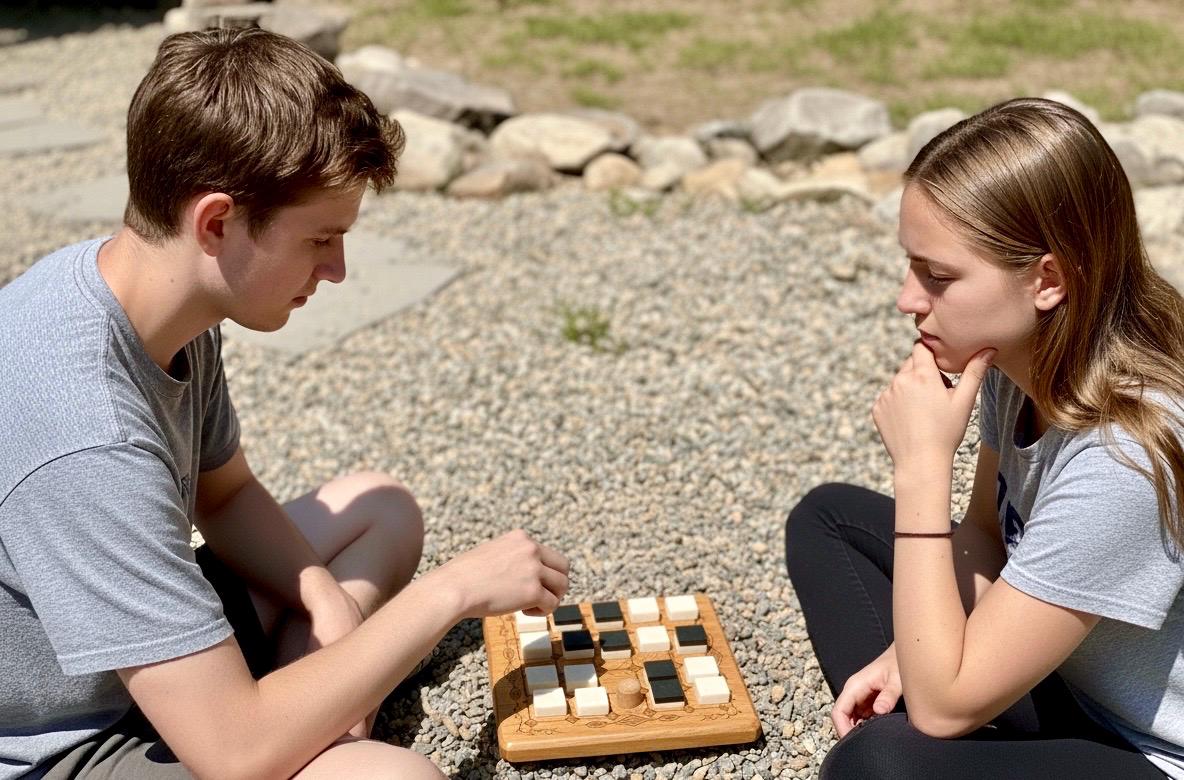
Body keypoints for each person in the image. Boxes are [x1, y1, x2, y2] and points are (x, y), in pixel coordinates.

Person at [0, 28, 569, 780]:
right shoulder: (86, 430)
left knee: (379, 505)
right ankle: (304, 722)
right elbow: (232, 757)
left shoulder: (148, 294)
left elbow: (226, 495)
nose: (335, 270)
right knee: (399, 778)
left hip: (144, 660)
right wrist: (449, 593)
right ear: (216, 223)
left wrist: (325, 601)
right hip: (66, 741)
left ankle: (307, 709)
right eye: (319, 240)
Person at [785, 97, 1184, 779]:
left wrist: (921, 467)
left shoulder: (1127, 456)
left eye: (937, 276)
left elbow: (941, 712)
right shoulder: (1018, 358)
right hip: (1065, 678)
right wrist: (905, 656)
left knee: (881, 763)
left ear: (1047, 280)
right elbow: (985, 536)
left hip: (1145, 752)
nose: (909, 299)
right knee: (830, 519)